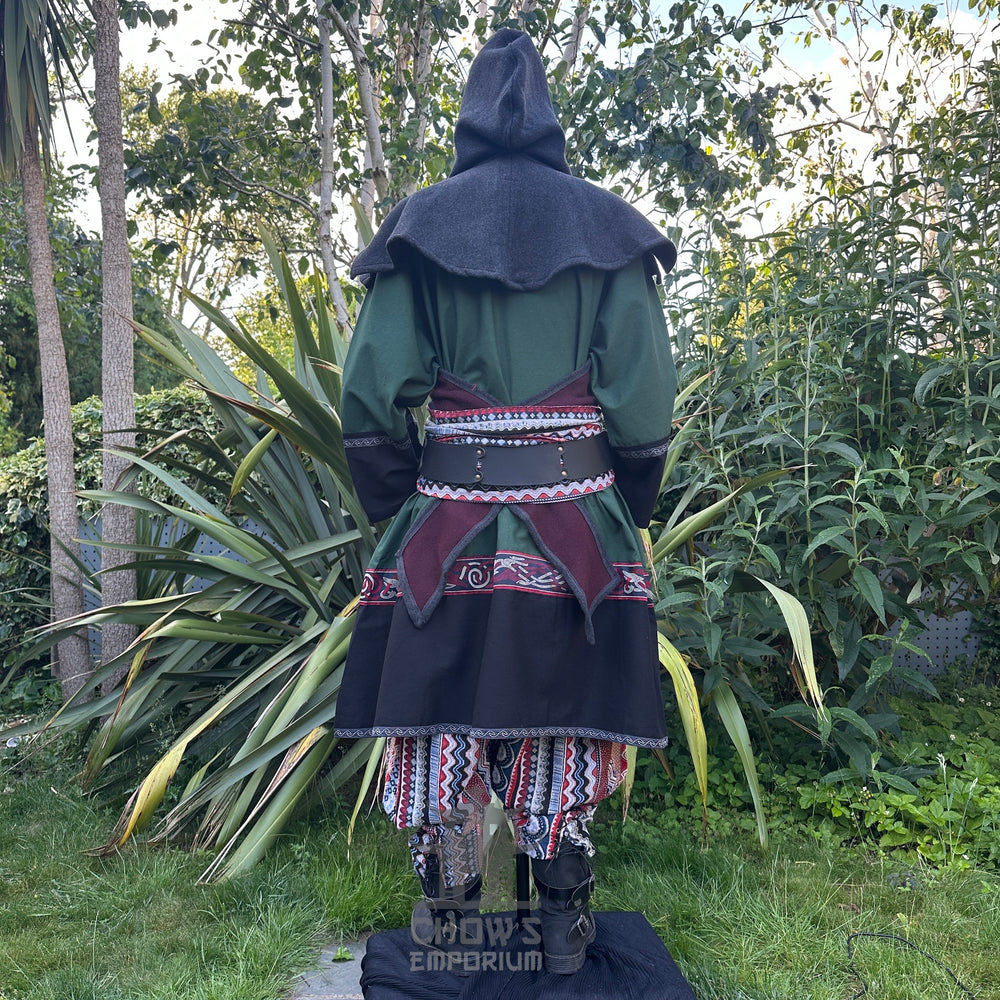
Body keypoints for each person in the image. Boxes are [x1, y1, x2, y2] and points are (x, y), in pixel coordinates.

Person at [333, 28, 677, 976]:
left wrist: (405, 493)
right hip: (576, 529)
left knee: (438, 722)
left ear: (467, 114)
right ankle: (564, 931)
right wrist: (628, 500)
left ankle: (447, 932)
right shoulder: (609, 233)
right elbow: (645, 407)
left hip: (445, 522)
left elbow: (369, 398)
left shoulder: (420, 229)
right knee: (562, 721)